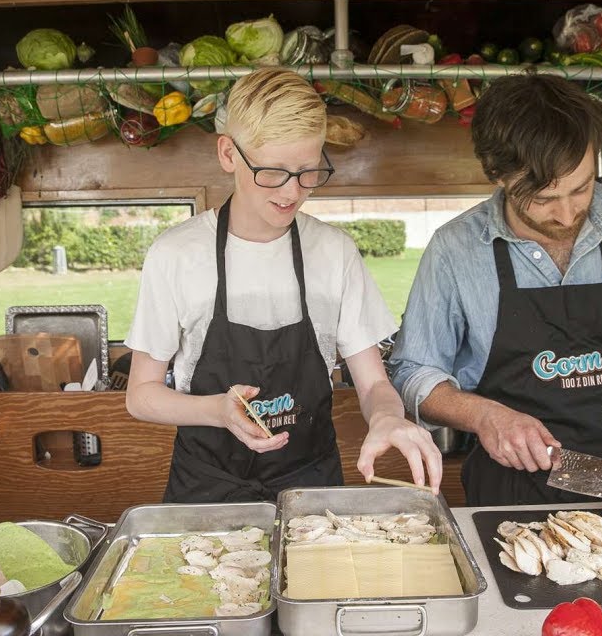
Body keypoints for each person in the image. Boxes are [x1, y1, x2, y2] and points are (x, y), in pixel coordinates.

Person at [387, 74, 602, 514]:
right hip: (509, 497)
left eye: (582, 188)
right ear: (497, 174)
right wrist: (484, 416)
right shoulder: (456, 249)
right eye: (544, 197)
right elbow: (414, 370)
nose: (568, 213)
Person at [125, 67, 443, 503]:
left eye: (308, 172)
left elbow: (372, 385)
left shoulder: (334, 253)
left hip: (312, 486)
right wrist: (217, 411)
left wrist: (387, 417)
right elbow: (141, 396)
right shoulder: (178, 254)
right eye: (273, 172)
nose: (292, 192)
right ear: (228, 155)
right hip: (206, 490)